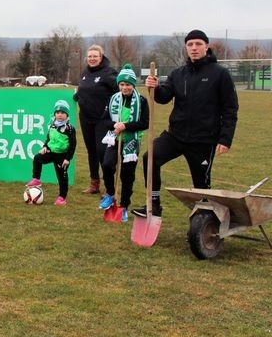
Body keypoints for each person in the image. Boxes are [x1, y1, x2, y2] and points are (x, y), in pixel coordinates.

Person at [133, 29, 239, 217]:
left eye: (198, 44)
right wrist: (155, 88)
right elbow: (164, 97)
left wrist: (225, 139)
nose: (194, 48)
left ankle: (204, 220)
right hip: (176, 135)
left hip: (203, 140)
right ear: (186, 48)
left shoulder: (220, 74)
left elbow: (230, 109)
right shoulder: (178, 73)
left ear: (206, 46)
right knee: (150, 158)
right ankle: (154, 204)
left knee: (201, 185)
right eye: (190, 44)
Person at [97, 64, 149, 222]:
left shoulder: (141, 101)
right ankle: (111, 194)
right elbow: (104, 119)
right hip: (114, 138)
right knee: (107, 165)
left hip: (131, 141)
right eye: (122, 84)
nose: (124, 87)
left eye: (127, 84)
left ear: (133, 85)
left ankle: (124, 205)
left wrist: (125, 126)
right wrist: (115, 125)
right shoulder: (113, 99)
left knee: (127, 175)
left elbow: (144, 123)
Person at [72, 44, 119, 195]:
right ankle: (94, 184)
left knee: (102, 151)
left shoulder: (109, 73)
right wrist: (77, 95)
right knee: (91, 151)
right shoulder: (85, 72)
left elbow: (119, 92)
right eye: (90, 56)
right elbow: (83, 90)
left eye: (95, 56)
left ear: (101, 57)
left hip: (102, 119)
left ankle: (109, 185)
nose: (92, 59)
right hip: (85, 118)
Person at [25, 100, 77, 206]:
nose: (60, 115)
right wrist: (45, 147)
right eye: (57, 113)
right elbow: (49, 138)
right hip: (51, 152)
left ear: (67, 115)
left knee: (62, 177)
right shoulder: (52, 125)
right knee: (37, 158)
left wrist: (67, 158)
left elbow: (73, 145)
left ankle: (62, 197)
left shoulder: (70, 128)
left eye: (62, 113)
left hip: (62, 156)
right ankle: (36, 179)